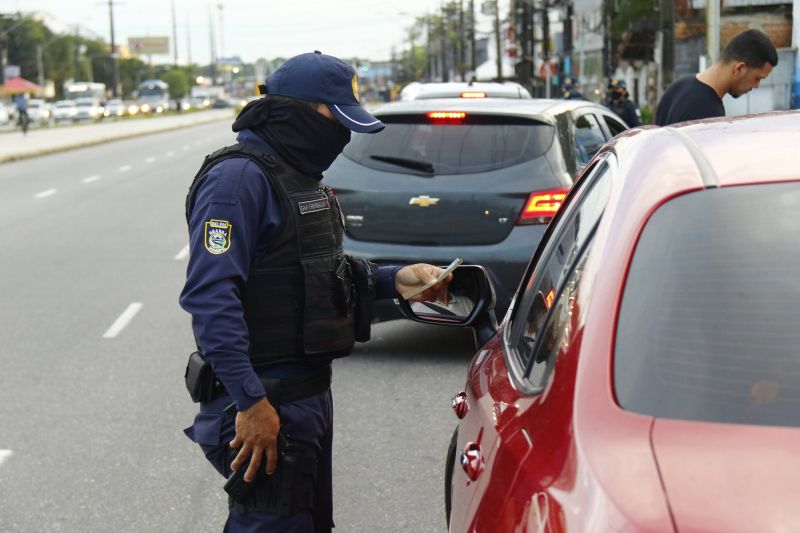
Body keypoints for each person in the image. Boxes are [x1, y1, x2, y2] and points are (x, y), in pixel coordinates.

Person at [179, 51, 453, 532]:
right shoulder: (238, 180)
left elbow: (313, 270)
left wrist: (396, 279)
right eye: (336, 120)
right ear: (298, 113)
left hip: (302, 399)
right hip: (264, 400)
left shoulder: (296, 177)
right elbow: (211, 296)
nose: (342, 136)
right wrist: (250, 402)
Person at [655, 29, 777, 126]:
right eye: (757, 78)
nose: (756, 86)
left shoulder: (676, 88)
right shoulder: (709, 114)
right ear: (739, 68)